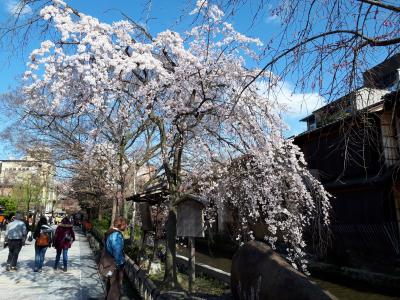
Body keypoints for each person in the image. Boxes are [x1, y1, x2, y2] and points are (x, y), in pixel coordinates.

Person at [104, 216, 127, 300]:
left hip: (108, 263)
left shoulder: (110, 232)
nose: (126, 226)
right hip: (115, 265)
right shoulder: (116, 235)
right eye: (125, 224)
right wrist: (121, 263)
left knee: (109, 287)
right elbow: (117, 252)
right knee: (115, 290)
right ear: (121, 225)